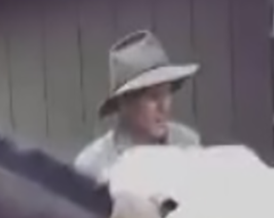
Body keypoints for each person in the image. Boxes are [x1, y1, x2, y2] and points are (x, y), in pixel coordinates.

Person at [74, 29, 201, 182]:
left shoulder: (187, 144)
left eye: (166, 94)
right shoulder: (94, 164)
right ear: (125, 103)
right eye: (153, 97)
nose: (163, 107)